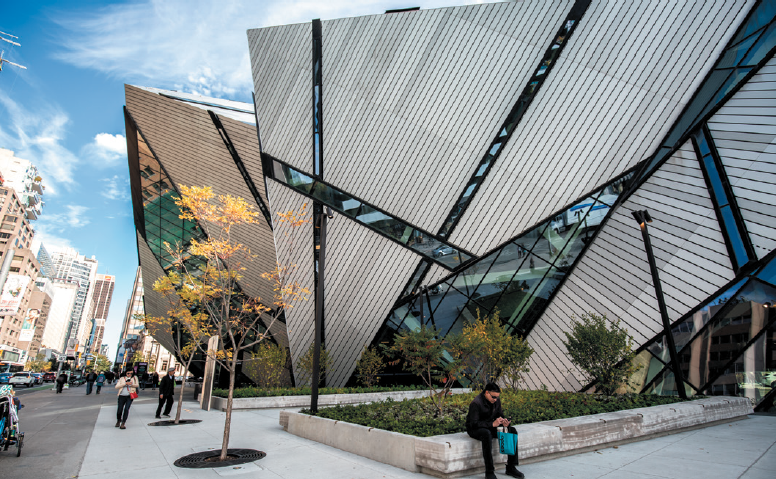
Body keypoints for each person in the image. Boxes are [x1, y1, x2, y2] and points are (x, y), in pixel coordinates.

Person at [466, 383, 524, 479]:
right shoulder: (476, 403)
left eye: (497, 397)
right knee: (486, 434)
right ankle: (489, 472)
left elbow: (499, 415)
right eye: (493, 397)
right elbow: (473, 423)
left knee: (512, 431)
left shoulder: (496, 401)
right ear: (487, 393)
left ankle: (511, 467)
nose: (495, 399)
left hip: (490, 426)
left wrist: (504, 422)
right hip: (475, 429)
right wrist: (492, 424)